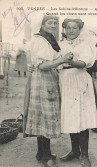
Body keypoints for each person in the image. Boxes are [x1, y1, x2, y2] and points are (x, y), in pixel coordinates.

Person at [24, 15, 72, 167]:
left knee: (42, 117)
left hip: (48, 78)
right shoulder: (41, 40)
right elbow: (43, 65)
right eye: (49, 23)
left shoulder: (48, 39)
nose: (53, 25)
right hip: (44, 80)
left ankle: (41, 153)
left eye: (55, 23)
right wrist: (62, 60)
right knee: (45, 117)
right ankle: (45, 157)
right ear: (42, 25)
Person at [58, 18, 97, 167]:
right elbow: (53, 61)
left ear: (79, 30)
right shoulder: (60, 45)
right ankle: (74, 150)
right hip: (66, 81)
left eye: (74, 28)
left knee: (82, 119)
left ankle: (85, 155)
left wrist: (69, 61)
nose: (71, 31)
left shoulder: (85, 44)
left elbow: (85, 62)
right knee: (71, 117)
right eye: (68, 28)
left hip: (80, 80)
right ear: (64, 29)